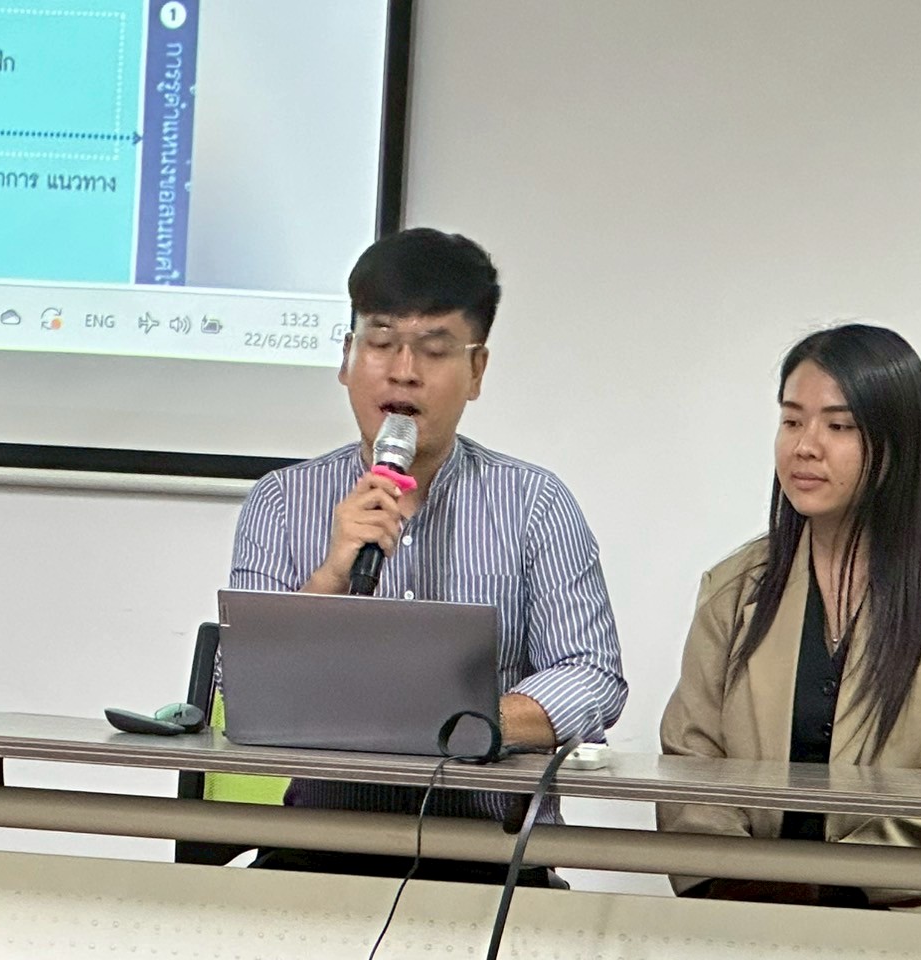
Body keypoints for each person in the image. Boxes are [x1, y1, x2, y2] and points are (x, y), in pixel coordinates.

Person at [228, 227, 628, 886]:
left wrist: (467, 724)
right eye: (381, 341)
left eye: (435, 349)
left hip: (491, 856)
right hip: (319, 851)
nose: (404, 370)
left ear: (477, 371)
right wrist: (331, 575)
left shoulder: (535, 504)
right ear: (347, 357)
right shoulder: (280, 502)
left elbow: (591, 675)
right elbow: (241, 687)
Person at [657, 323, 921, 917]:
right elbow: (690, 762)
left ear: (899, 443)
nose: (805, 446)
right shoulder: (732, 587)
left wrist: (831, 882)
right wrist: (739, 883)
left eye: (839, 426)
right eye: (791, 421)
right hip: (756, 909)